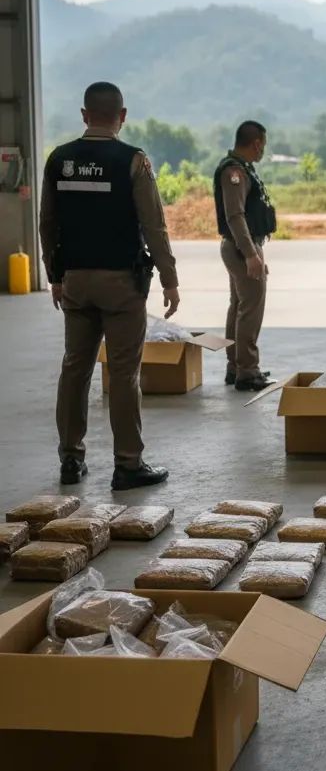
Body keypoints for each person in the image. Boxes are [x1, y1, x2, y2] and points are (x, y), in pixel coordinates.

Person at [39, 81, 179, 490]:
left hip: (77, 283)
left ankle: (70, 459)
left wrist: (55, 275)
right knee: (123, 374)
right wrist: (169, 279)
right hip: (122, 286)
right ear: (122, 116)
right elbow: (154, 226)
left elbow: (48, 224)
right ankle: (128, 464)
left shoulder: (59, 160)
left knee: (74, 369)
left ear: (84, 115)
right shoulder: (133, 162)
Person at [215, 120, 276, 392]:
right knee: (250, 309)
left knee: (239, 306)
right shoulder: (234, 171)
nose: (263, 150)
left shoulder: (241, 167)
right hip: (241, 247)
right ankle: (247, 372)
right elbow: (235, 215)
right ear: (257, 143)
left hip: (242, 246)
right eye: (263, 144)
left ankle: (236, 366)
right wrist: (251, 254)